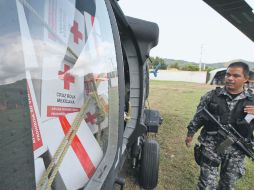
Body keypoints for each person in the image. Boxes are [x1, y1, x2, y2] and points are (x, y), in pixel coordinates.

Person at [185, 61, 254, 190]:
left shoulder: (252, 100)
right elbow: (199, 116)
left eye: (236, 75)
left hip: (236, 150)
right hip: (211, 145)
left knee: (227, 185)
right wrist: (190, 133)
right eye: (228, 74)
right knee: (206, 185)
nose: (230, 78)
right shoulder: (211, 96)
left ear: (246, 78)